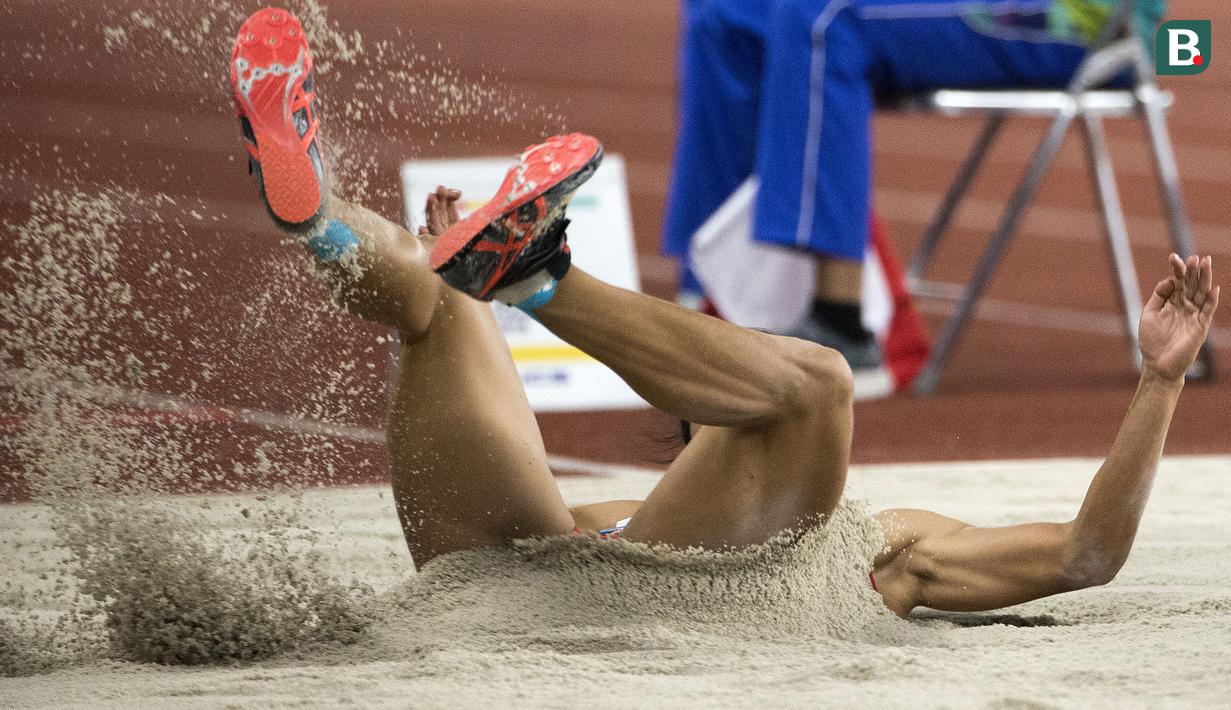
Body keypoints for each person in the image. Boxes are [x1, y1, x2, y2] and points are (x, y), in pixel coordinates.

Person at [230, 8, 1218, 618]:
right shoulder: (686, 519)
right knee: (443, 300)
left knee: (443, 308)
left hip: (588, 580)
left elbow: (1084, 553)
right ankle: (364, 227)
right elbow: (1084, 556)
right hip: (532, 584)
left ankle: (416, 246)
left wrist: (1161, 376)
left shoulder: (852, 537)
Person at [663, 0, 1165, 369]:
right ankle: (707, 296)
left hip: (1079, 21)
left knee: (821, 20)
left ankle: (840, 322)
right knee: (722, 15)